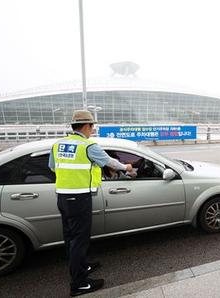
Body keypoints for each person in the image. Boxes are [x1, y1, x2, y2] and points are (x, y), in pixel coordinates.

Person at [48, 110, 133, 296]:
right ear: (86, 126)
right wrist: (126, 167)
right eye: (92, 126)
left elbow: (53, 167)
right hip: (79, 198)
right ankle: (78, 284)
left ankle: (82, 266)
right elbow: (110, 162)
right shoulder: (87, 146)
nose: (92, 130)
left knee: (70, 237)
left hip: (62, 197)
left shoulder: (58, 144)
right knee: (80, 239)